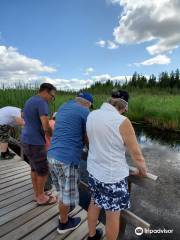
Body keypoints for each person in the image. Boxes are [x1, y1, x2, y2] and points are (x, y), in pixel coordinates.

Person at [86, 90, 147, 240]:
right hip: (112, 177)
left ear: (109, 101)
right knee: (113, 216)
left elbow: (89, 139)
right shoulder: (122, 121)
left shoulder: (92, 114)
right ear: (125, 107)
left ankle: (92, 236)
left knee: (94, 202)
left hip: (94, 172)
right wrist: (142, 171)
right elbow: (137, 155)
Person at [47, 92, 93, 234]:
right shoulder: (86, 112)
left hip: (52, 155)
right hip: (67, 158)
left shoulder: (63, 106)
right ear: (88, 104)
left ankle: (65, 211)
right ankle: (64, 223)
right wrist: (92, 150)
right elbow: (87, 136)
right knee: (66, 194)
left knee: (62, 190)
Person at [21, 83, 57, 205]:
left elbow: (25, 118)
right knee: (43, 170)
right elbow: (46, 126)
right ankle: (41, 198)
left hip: (26, 139)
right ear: (46, 92)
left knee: (34, 169)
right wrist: (52, 135)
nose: (52, 99)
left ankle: (38, 193)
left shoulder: (30, 100)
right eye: (52, 96)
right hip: (35, 142)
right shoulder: (42, 102)